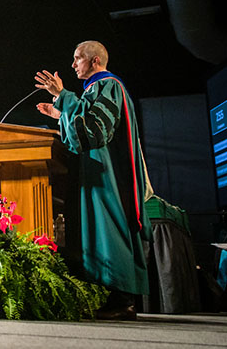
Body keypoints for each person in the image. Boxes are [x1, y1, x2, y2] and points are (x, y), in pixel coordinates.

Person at [35, 40, 152, 320]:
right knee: (101, 229)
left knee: (111, 227)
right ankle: (112, 298)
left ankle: (123, 301)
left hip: (110, 174)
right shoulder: (96, 89)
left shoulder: (108, 85)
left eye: (78, 59)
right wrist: (59, 112)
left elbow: (95, 131)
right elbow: (81, 127)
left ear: (95, 61)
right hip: (97, 170)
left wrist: (63, 96)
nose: (73, 64)